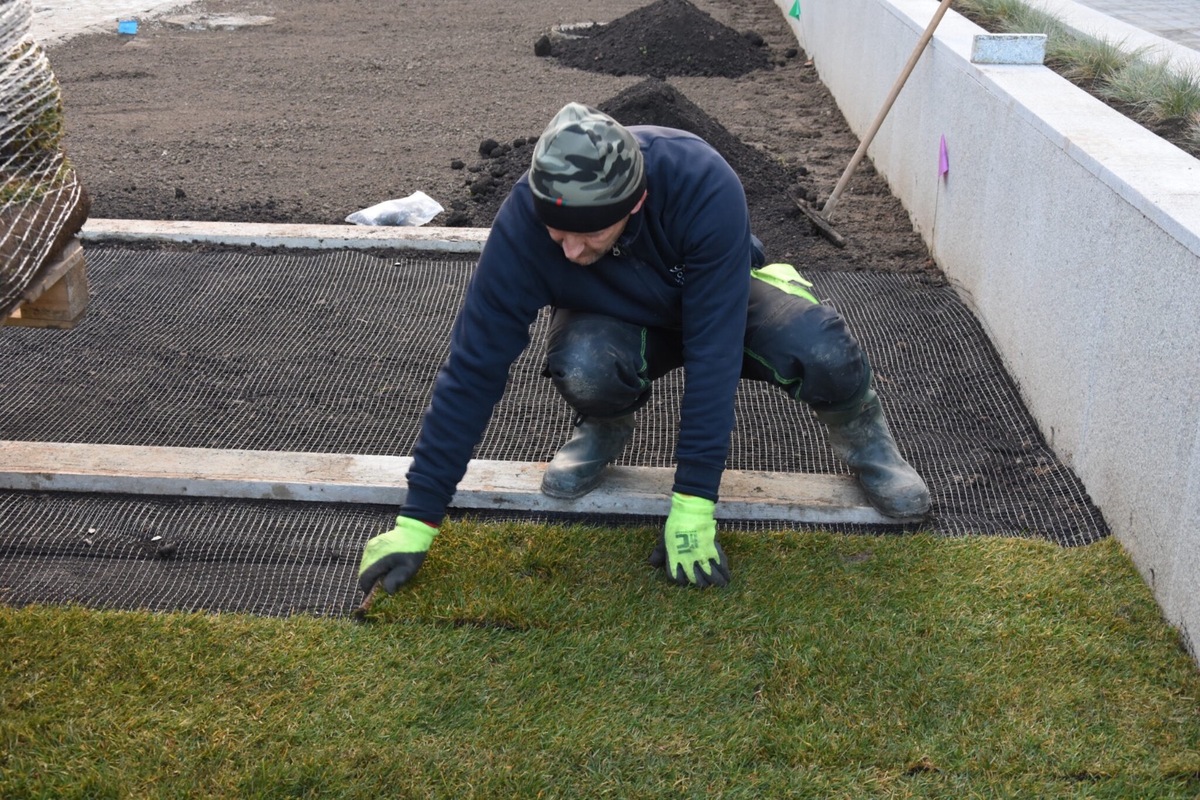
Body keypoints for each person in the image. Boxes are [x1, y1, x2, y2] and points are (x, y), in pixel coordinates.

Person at [358, 102, 929, 594]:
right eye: (557, 234)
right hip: (614, 309)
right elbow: (473, 368)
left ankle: (868, 444)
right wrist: (418, 517)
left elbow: (713, 358)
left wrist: (693, 503)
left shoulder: (702, 182)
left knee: (822, 353)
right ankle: (604, 425)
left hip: (716, 297)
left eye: (589, 235)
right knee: (584, 367)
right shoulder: (526, 226)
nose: (569, 251)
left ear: (634, 205)